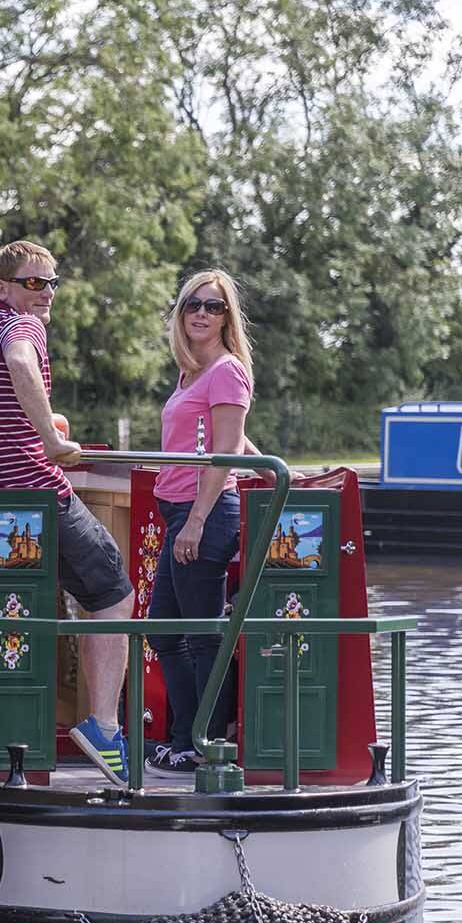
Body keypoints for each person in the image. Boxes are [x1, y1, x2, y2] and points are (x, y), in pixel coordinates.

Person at [0, 240, 136, 785]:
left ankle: (1, 734)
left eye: (51, 283)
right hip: (29, 491)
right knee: (115, 591)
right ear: (2, 289)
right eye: (33, 282)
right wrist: (50, 438)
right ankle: (103, 726)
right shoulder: (19, 326)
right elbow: (21, 361)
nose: (45, 293)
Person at [147, 270, 263, 776]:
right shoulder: (193, 372)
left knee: (200, 633)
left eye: (213, 307)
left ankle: (206, 741)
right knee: (164, 631)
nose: (200, 313)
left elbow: (221, 453)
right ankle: (187, 736)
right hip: (180, 511)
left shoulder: (226, 371)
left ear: (226, 318)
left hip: (206, 513)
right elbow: (234, 441)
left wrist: (195, 521)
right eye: (192, 304)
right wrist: (269, 464)